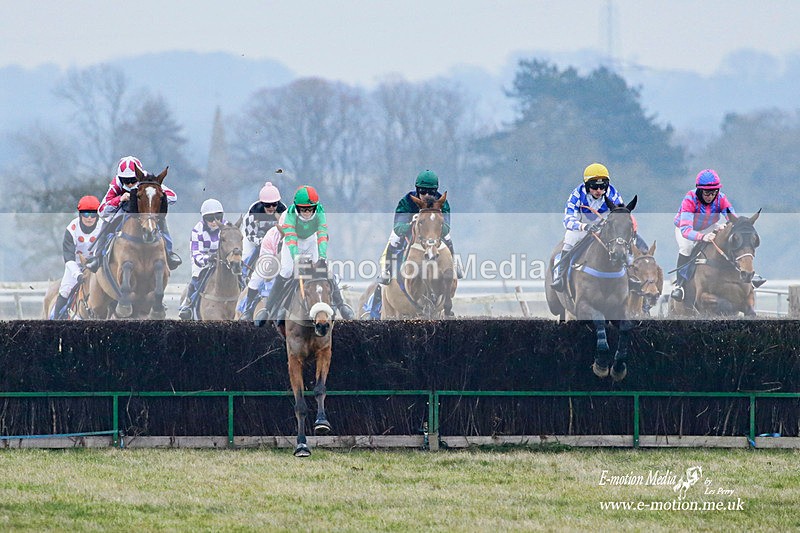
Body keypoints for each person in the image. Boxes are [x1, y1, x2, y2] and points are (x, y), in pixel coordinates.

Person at [256, 185, 354, 323]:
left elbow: (322, 234)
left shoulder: (320, 211)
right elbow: (290, 238)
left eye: (310, 209)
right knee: (286, 270)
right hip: (292, 242)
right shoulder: (290, 214)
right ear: (297, 207)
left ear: (315, 206)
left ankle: (341, 306)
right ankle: (268, 310)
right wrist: (297, 258)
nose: (307, 212)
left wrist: (322, 257)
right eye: (303, 209)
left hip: (311, 241)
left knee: (324, 269)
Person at [670, 169, 765, 301]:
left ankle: (748, 274)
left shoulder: (721, 198)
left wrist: (734, 228)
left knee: (729, 239)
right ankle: (680, 285)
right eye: (707, 193)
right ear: (699, 190)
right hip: (686, 228)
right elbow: (685, 229)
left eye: (713, 192)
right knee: (686, 249)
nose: (710, 196)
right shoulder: (690, 199)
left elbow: (733, 220)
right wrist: (702, 237)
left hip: (709, 226)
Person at [85, 156, 182, 272]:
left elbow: (173, 196)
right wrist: (120, 199)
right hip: (123, 209)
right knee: (106, 222)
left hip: (144, 210)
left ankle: (169, 253)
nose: (130, 184)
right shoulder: (116, 184)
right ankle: (98, 256)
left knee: (160, 221)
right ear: (120, 178)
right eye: (126, 181)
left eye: (132, 180)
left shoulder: (147, 180)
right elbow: (101, 210)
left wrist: (154, 195)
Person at [377, 169, 463, 285]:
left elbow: (446, 227)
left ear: (435, 191)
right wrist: (413, 225)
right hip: (409, 230)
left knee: (448, 237)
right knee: (394, 239)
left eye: (431, 192)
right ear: (417, 190)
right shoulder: (406, 201)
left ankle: (455, 265)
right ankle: (386, 271)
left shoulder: (442, 202)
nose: (427, 195)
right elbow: (398, 227)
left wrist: (433, 226)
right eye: (423, 191)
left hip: (434, 232)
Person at [551, 163, 626, 293]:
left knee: (623, 242)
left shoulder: (613, 194)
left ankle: (631, 275)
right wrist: (583, 226)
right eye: (594, 186)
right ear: (587, 185)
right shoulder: (576, 195)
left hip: (605, 228)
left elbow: (621, 215)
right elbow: (567, 220)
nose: (599, 190)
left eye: (602, 186)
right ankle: (560, 277)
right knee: (569, 240)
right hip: (581, 228)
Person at [52, 196, 104, 319]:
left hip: (97, 264)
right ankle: (55, 321)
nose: (90, 218)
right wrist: (78, 274)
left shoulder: (103, 226)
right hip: (75, 265)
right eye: (86, 213)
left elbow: (103, 249)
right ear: (80, 213)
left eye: (93, 214)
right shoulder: (71, 229)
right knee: (65, 290)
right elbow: (68, 258)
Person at [178, 199, 230, 320]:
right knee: (196, 279)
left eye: (217, 218)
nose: (214, 222)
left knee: (240, 277)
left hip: (223, 261)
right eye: (210, 219)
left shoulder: (227, 227)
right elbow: (197, 255)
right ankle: (187, 305)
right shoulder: (197, 230)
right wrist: (209, 259)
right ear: (204, 219)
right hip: (203, 263)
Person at [242, 181, 287, 278]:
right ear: (262, 204)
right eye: (267, 205)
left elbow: (288, 231)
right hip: (255, 237)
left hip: (276, 239)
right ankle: (244, 275)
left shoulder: (283, 211)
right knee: (246, 254)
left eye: (274, 204)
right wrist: (264, 241)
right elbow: (250, 236)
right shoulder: (253, 212)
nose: (271, 208)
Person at [239, 224, 283, 320]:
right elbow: (266, 260)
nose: (271, 207)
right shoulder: (272, 234)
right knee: (256, 279)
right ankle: (248, 310)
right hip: (270, 260)